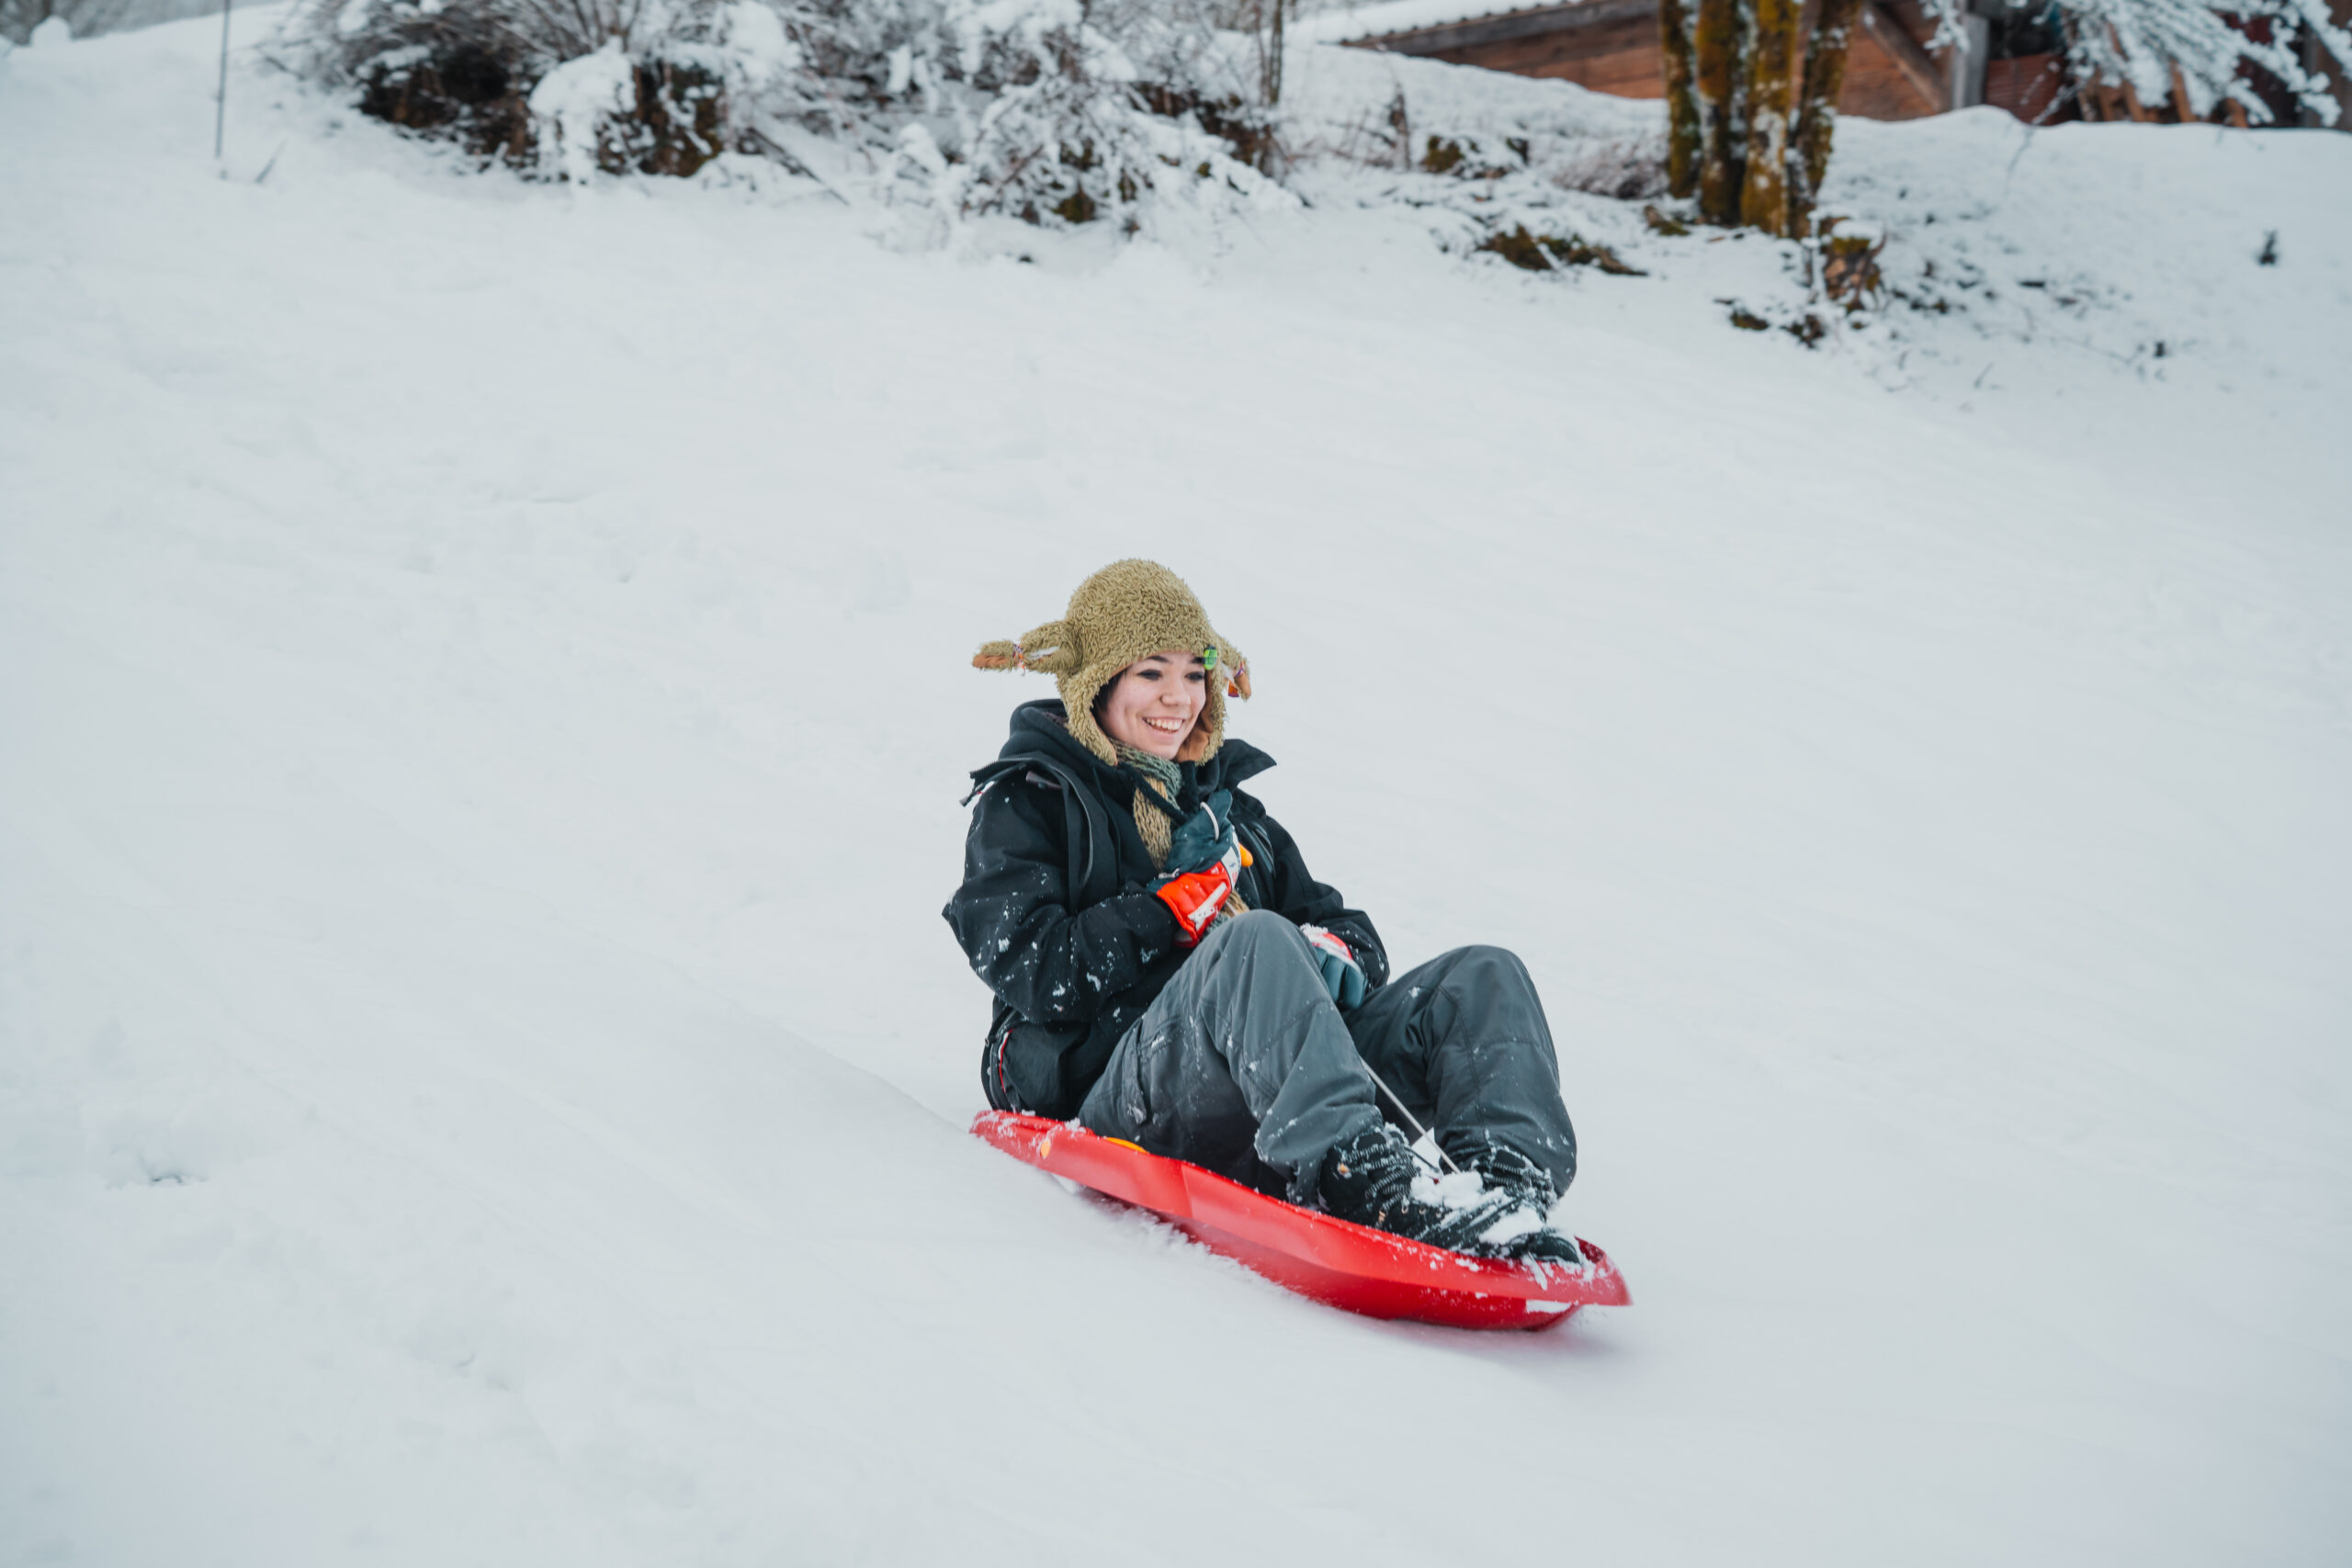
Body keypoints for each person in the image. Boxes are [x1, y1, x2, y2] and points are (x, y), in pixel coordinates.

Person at [944, 559, 1582, 1264]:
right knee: (1254, 941)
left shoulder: (1229, 814)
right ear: (1097, 680)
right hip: (1116, 1091)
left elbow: (1346, 926)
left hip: (1272, 1088)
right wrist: (1163, 910)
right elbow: (1033, 968)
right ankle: (1360, 1178)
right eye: (1151, 671)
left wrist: (1335, 952)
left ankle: (1506, 1189)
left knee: (1482, 977)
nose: (1179, 697)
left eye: (1195, 674)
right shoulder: (1031, 799)